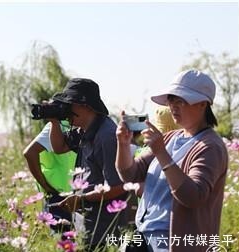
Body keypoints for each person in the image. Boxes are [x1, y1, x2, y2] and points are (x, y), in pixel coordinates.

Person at [115, 69, 228, 252]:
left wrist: (161, 153)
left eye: (181, 101)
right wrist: (123, 145)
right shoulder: (170, 138)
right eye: (171, 100)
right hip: (143, 237)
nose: (173, 106)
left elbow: (192, 196)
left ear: (202, 104)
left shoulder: (211, 146)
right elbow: (130, 173)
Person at [48, 78, 128, 249]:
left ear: (85, 106)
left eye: (69, 105)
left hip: (104, 229)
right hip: (87, 225)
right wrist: (54, 120)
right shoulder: (85, 130)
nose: (66, 110)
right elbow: (59, 147)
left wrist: (82, 200)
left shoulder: (106, 136)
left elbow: (119, 186)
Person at [23, 121, 76, 233]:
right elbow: (29, 153)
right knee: (63, 239)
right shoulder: (57, 126)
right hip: (58, 195)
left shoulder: (77, 125)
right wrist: (46, 187)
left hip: (75, 194)